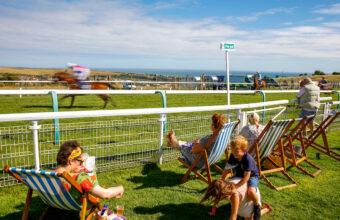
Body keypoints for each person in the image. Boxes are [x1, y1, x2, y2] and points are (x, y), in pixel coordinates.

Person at [54, 140, 124, 203]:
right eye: (80, 161)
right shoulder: (79, 178)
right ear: (71, 161)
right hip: (77, 202)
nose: (82, 165)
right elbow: (105, 194)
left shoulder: (46, 174)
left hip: (57, 202)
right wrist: (120, 188)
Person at [220, 136, 261, 220]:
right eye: (232, 150)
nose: (234, 153)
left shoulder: (247, 159)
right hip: (239, 174)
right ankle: (232, 202)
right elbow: (226, 168)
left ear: (244, 150)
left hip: (252, 176)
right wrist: (222, 180)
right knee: (225, 187)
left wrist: (236, 186)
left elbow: (246, 177)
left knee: (251, 192)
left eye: (236, 151)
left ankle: (257, 207)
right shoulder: (233, 155)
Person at [200, 178, 271, 220]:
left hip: (251, 197)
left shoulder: (235, 195)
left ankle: (266, 209)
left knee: (249, 218)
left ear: (223, 192)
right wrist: (213, 210)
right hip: (244, 193)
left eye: (218, 196)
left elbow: (233, 216)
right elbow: (217, 198)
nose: (216, 198)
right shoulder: (224, 185)